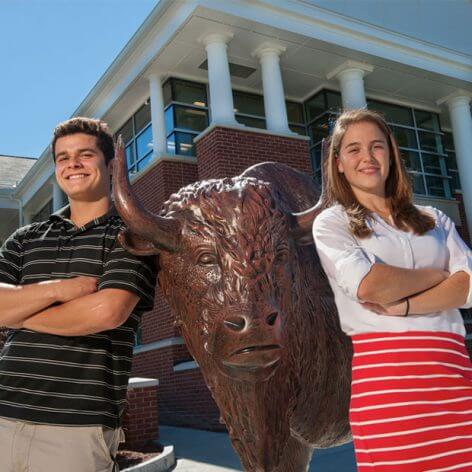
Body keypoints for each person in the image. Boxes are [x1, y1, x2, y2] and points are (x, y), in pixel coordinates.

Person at [311, 109, 472, 471]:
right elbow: (371, 286)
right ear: (338, 163)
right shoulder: (332, 224)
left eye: (376, 146)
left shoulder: (434, 219)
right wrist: (440, 273)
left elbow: (471, 288)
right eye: (353, 149)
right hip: (390, 396)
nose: (367, 157)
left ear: (391, 154)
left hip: (459, 389)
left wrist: (403, 306)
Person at [0, 117, 157, 472]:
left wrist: (17, 311)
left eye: (85, 155)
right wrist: (61, 290)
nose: (72, 164)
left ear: (112, 165)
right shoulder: (24, 238)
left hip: (76, 428)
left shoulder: (132, 235)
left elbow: (106, 312)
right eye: (63, 157)